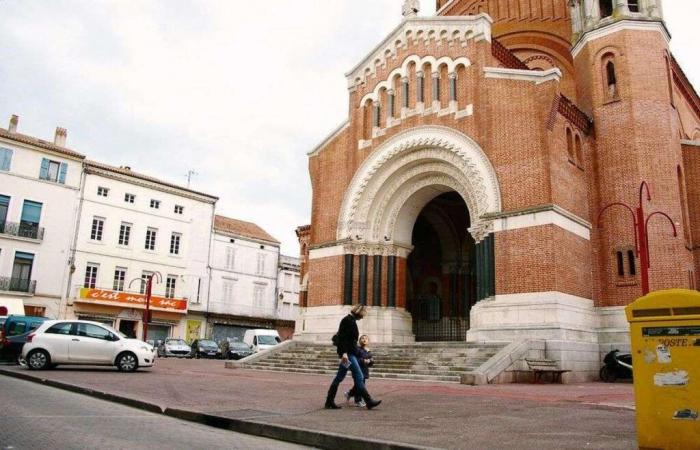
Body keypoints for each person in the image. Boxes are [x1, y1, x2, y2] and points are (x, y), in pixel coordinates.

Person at [324, 304, 381, 410]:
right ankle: (368, 401)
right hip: (348, 355)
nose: (363, 317)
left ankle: (329, 401)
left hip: (350, 354)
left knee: (339, 377)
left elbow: (350, 341)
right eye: (362, 315)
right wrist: (344, 354)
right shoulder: (347, 320)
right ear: (358, 313)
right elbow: (343, 339)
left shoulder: (351, 321)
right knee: (359, 376)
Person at [345, 334, 373, 407]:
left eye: (366, 338)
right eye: (362, 338)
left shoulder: (369, 350)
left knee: (359, 385)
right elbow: (356, 359)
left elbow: (371, 361)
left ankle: (349, 394)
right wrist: (364, 360)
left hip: (364, 370)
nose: (364, 339)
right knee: (360, 385)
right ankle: (358, 400)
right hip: (357, 370)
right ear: (359, 341)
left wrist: (370, 361)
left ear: (368, 341)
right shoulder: (358, 349)